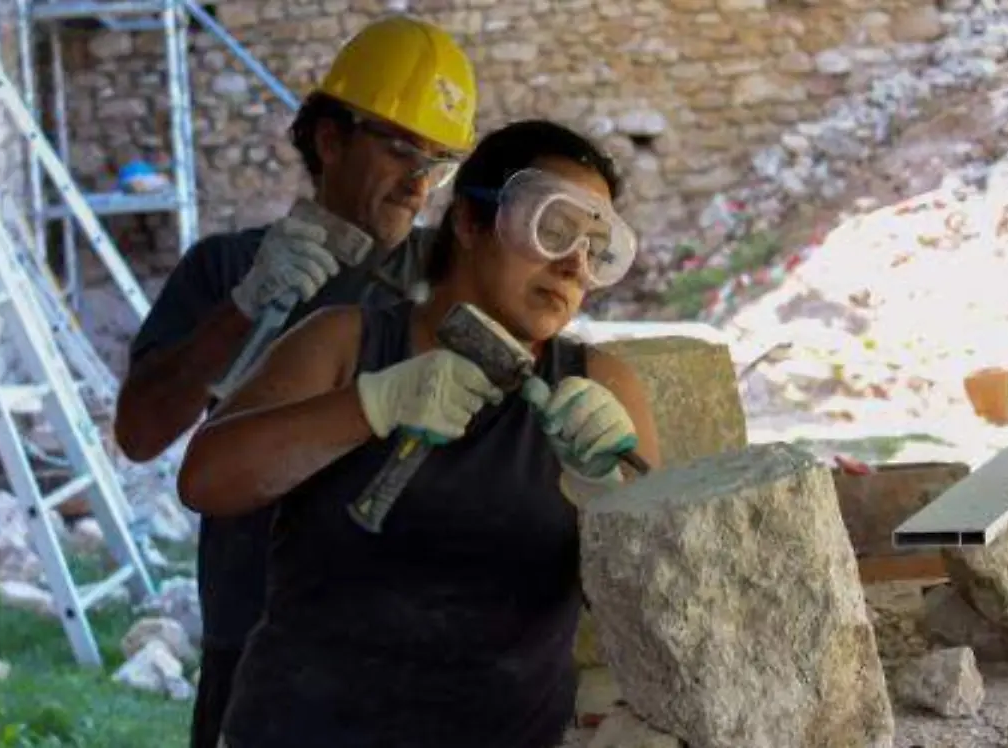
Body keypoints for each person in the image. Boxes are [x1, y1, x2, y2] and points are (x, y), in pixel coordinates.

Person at [177, 119, 663, 748]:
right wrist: (370, 404)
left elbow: (656, 613)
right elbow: (206, 480)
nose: (573, 265)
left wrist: (608, 497)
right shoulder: (345, 343)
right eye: (554, 228)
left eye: (597, 249)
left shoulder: (602, 391)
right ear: (469, 221)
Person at [112, 15, 478, 748]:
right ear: (331, 139)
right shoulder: (227, 268)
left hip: (408, 645)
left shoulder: (450, 277)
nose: (419, 184)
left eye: (437, 163)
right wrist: (242, 309)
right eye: (401, 150)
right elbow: (141, 434)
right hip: (256, 636)